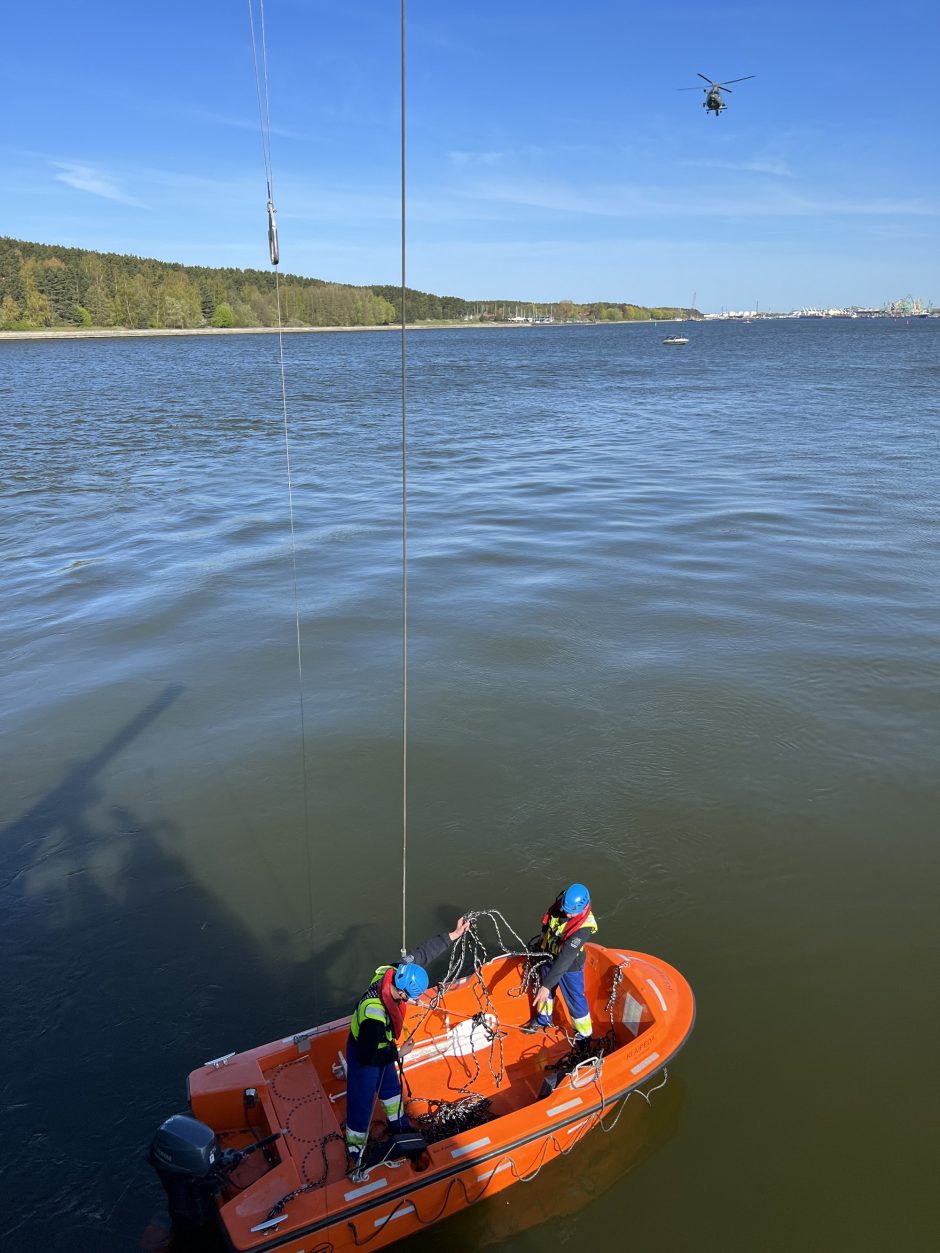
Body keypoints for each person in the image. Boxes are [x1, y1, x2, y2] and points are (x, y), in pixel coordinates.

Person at [344, 915, 470, 1171]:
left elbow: (422, 954)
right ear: (402, 992)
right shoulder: (374, 1017)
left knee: (391, 1091)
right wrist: (399, 1053)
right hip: (365, 1053)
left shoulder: (393, 972)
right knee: (362, 1101)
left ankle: (399, 1128)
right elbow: (369, 1056)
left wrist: (453, 936)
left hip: (384, 1047)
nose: (410, 1001)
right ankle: (355, 1150)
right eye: (409, 998)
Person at [522, 883, 598, 1051]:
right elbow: (548, 923)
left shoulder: (583, 930)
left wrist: (546, 985)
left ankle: (584, 1037)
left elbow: (566, 958)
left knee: (575, 1000)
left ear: (582, 907)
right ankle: (543, 1019)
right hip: (550, 955)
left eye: (571, 911)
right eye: (565, 909)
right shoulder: (562, 907)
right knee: (546, 994)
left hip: (570, 966)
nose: (567, 913)